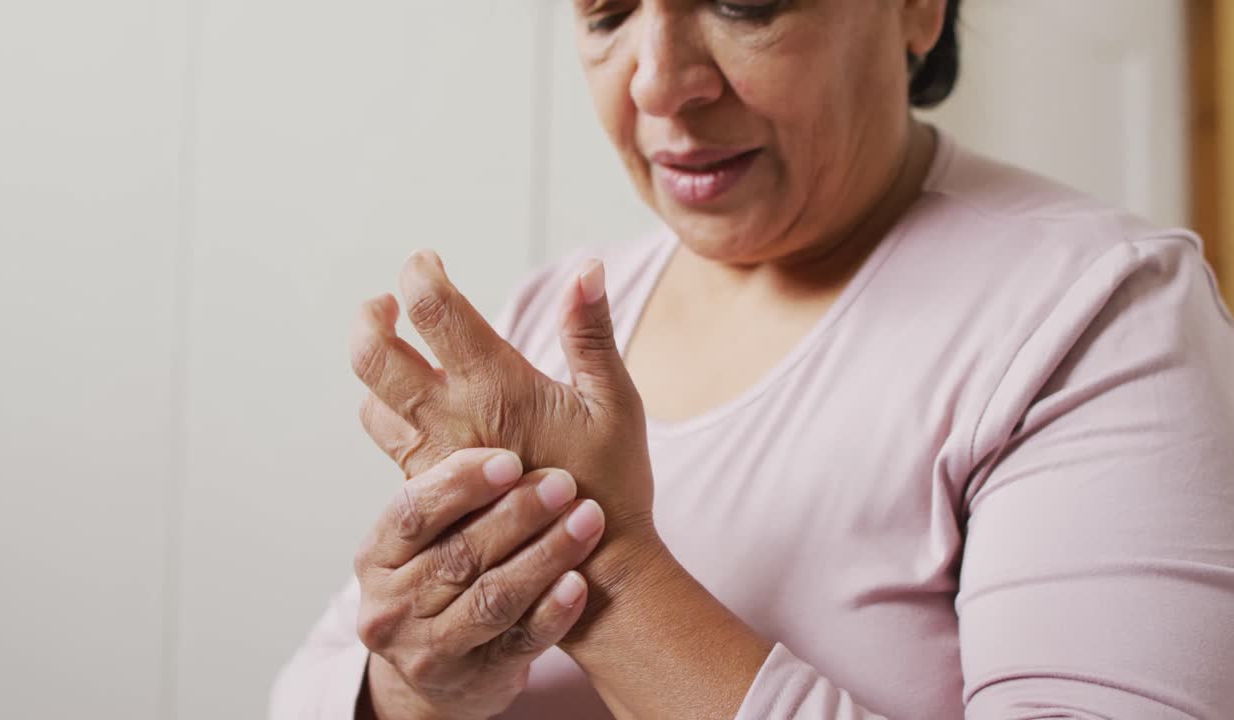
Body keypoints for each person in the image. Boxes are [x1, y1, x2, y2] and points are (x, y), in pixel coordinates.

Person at [271, 1, 1234, 717]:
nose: (658, 82)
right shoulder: (544, 323)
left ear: (916, 8)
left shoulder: (1097, 314)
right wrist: (412, 686)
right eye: (607, 13)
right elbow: (313, 684)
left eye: (744, 4)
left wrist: (603, 565)